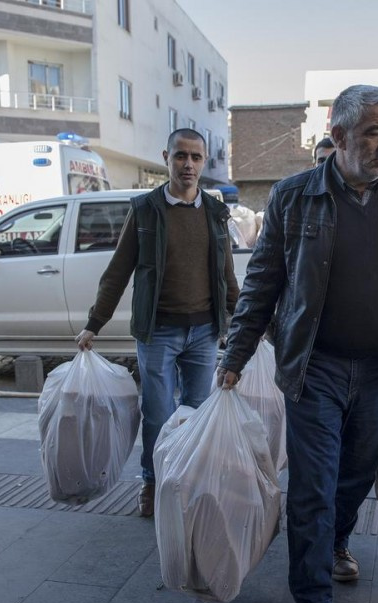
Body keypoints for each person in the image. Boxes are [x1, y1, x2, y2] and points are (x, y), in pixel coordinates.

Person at [216, 85, 378, 603]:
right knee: (314, 487)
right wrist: (235, 356)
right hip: (314, 368)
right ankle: (314, 601)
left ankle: (336, 542)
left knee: (356, 475)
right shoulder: (294, 197)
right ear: (339, 136)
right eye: (374, 131)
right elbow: (263, 282)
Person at [76, 128, 240, 518]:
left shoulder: (216, 214)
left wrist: (246, 326)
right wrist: (93, 323)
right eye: (181, 156)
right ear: (166, 157)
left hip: (204, 332)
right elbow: (118, 271)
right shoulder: (146, 210)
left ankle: (187, 480)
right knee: (158, 413)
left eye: (196, 157)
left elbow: (227, 276)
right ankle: (151, 482)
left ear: (203, 162)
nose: (188, 165)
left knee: (197, 413)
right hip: (158, 331)